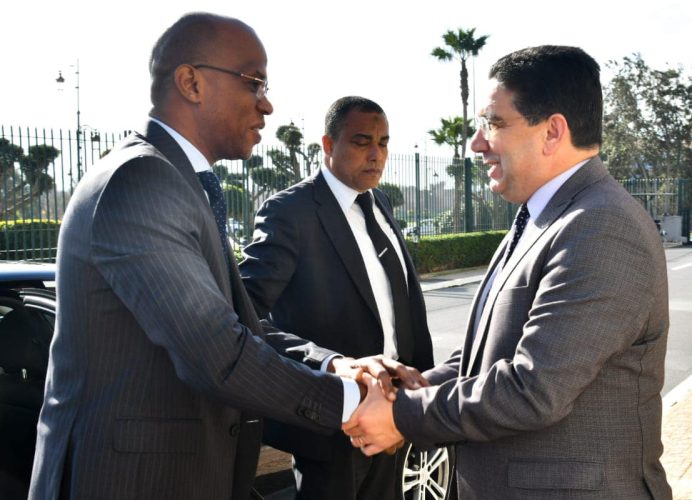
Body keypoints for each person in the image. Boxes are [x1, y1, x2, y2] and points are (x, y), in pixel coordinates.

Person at [29, 14, 421, 500]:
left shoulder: (176, 180)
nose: (267, 104)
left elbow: (235, 321)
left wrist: (333, 365)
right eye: (254, 82)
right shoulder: (141, 181)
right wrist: (353, 399)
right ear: (191, 82)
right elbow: (217, 352)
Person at [345, 45, 672, 499]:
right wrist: (410, 386)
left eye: (493, 124)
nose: (477, 143)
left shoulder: (600, 225)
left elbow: (533, 388)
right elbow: (487, 356)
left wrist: (402, 416)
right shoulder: (542, 215)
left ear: (552, 131)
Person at [239, 96, 434, 499]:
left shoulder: (379, 202)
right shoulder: (290, 211)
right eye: (362, 142)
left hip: (393, 410)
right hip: (332, 423)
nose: (376, 154)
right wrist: (328, 364)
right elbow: (244, 312)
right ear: (328, 145)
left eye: (383, 143)